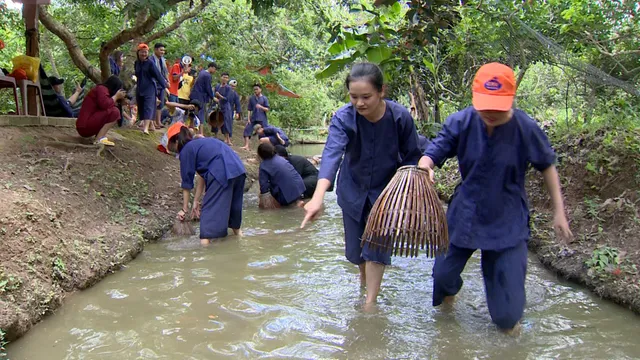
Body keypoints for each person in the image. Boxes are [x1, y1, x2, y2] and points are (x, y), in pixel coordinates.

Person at [417, 62, 573, 335]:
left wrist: (559, 212)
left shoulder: (526, 128)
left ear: (511, 99)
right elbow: (436, 149)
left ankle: (508, 320)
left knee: (506, 318)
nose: (489, 112)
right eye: (484, 105)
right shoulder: (462, 121)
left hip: (507, 217)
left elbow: (547, 166)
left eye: (496, 106)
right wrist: (425, 164)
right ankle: (450, 305)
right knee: (442, 278)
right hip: (466, 211)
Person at [300, 62, 422, 307]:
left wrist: (412, 192)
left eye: (366, 97)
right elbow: (332, 154)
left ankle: (369, 304)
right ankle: (364, 283)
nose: (359, 103)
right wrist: (317, 197)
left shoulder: (400, 118)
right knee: (357, 254)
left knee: (376, 250)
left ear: (381, 92)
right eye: (354, 97)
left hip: (387, 195)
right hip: (352, 190)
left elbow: (412, 157)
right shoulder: (344, 118)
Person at [170, 125, 246, 246]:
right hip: (238, 169)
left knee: (207, 220)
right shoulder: (201, 144)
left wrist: (185, 209)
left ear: (176, 141)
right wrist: (196, 200)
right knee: (233, 214)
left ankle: (205, 256)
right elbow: (202, 176)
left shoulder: (186, 151)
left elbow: (187, 183)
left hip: (221, 172)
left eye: (171, 146)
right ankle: (241, 240)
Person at [75, 75, 127, 146]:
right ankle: (99, 139)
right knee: (115, 111)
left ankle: (99, 136)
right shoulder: (101, 89)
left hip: (85, 126)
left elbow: (104, 108)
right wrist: (116, 96)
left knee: (114, 110)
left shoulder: (103, 91)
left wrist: (120, 101)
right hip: (85, 126)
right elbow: (105, 104)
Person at [257, 143, 305, 207]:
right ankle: (297, 202)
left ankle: (289, 203)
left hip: (286, 194)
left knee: (269, 190)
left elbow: (263, 186)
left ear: (261, 155)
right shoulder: (280, 158)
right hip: (300, 188)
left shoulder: (263, 166)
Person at [134, 43, 167, 134]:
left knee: (148, 106)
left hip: (150, 87)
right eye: (142, 52)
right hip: (140, 87)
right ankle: (150, 125)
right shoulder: (136, 63)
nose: (144, 54)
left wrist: (165, 87)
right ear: (138, 52)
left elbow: (158, 75)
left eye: (146, 52)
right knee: (141, 106)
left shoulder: (150, 63)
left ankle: (146, 128)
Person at [241, 84, 270, 150]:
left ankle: (263, 148)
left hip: (262, 118)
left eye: (257, 89)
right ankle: (246, 146)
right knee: (247, 129)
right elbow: (249, 109)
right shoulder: (252, 98)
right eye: (254, 89)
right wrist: (248, 119)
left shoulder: (264, 98)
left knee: (264, 132)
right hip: (253, 117)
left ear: (260, 89)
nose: (255, 91)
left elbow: (267, 109)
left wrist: (261, 107)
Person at [189, 62, 217, 128]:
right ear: (211, 67)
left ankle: (191, 127)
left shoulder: (202, 72)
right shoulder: (207, 75)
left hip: (194, 95)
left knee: (192, 111)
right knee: (200, 113)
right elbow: (208, 88)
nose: (215, 71)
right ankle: (200, 132)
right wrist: (212, 97)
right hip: (200, 96)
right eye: (215, 69)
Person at [152, 43, 170, 129]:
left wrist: (167, 81)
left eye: (163, 50)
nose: (162, 52)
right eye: (161, 50)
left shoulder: (163, 60)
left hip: (162, 84)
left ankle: (158, 121)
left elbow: (165, 72)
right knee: (154, 102)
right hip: (154, 83)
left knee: (160, 103)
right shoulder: (151, 59)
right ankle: (153, 122)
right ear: (155, 50)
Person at [213, 72, 234, 145]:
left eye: (226, 78)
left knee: (226, 122)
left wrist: (219, 96)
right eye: (224, 77)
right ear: (221, 77)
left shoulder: (228, 88)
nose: (225, 79)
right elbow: (214, 95)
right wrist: (215, 98)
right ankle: (215, 136)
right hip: (218, 106)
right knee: (216, 120)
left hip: (226, 107)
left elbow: (227, 98)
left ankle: (227, 139)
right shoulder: (217, 86)